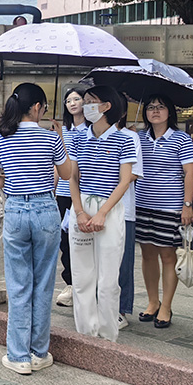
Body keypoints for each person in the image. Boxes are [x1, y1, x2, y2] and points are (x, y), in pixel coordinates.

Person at [0, 83, 71, 375]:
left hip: (16, 211)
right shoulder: (50, 138)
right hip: (46, 210)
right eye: (44, 107)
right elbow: (68, 173)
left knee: (18, 283)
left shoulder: (1, 139)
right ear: (36, 107)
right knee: (43, 282)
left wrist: (13, 180)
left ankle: (18, 355)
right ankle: (38, 351)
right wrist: (60, 138)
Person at [68, 86, 136, 341]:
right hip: (83, 205)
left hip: (110, 208)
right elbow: (73, 177)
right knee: (82, 275)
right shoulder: (77, 137)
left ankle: (107, 334)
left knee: (108, 279)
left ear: (107, 106)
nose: (85, 106)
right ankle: (85, 331)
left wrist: (102, 214)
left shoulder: (125, 138)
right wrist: (80, 213)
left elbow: (125, 180)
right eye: (84, 102)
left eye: (90, 102)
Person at [134, 94, 193, 329]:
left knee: (168, 256)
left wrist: (187, 205)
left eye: (160, 107)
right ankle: (152, 302)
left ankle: (167, 306)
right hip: (142, 203)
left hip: (169, 205)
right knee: (147, 254)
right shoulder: (138, 137)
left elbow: (190, 172)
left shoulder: (181, 139)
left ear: (170, 112)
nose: (155, 111)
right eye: (150, 107)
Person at [54, 87, 87, 307]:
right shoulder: (63, 130)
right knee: (64, 241)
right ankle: (71, 283)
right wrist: (52, 188)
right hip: (64, 194)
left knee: (83, 241)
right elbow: (58, 163)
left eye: (77, 99)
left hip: (84, 193)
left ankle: (84, 285)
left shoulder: (92, 130)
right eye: (68, 100)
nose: (72, 103)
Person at [115, 95, 144, 330]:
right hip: (94, 208)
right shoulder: (88, 135)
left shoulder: (130, 136)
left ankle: (121, 309)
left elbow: (134, 173)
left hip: (123, 209)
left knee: (123, 261)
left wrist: (109, 173)